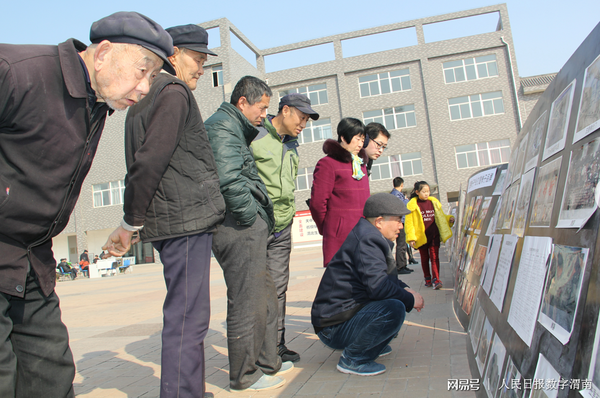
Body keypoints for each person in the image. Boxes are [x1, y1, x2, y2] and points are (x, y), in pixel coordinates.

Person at [0, 11, 173, 397]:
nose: (145, 88)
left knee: (52, 377)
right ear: (103, 54)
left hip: (33, 262)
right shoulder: (17, 71)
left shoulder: (96, 103)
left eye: (153, 78)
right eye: (142, 71)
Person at [101, 24, 225, 398]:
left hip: (172, 220)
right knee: (188, 319)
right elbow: (150, 160)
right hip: (183, 221)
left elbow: (143, 162)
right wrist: (128, 222)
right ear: (173, 55)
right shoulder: (172, 91)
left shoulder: (145, 97)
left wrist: (132, 221)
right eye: (197, 59)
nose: (202, 68)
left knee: (183, 315)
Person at [205, 76, 292, 392]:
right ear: (242, 102)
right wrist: (250, 217)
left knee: (264, 298)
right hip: (237, 227)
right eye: (261, 107)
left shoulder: (233, 129)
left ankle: (268, 363)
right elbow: (228, 181)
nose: (263, 115)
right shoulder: (222, 129)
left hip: (248, 227)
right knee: (245, 302)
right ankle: (244, 376)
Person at [311, 193, 425, 376]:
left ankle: (368, 345)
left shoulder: (369, 235)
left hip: (340, 319)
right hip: (333, 327)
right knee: (394, 309)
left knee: (396, 300)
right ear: (379, 221)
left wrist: (404, 289)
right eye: (397, 220)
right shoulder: (368, 241)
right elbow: (379, 287)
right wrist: (410, 299)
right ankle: (354, 359)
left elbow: (383, 278)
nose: (401, 226)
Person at [251, 93, 319, 363]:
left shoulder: (292, 144)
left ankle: (277, 345)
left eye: (307, 120)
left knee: (279, 288)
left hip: (282, 226)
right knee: (254, 291)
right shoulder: (254, 134)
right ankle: (256, 351)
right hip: (256, 224)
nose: (304, 123)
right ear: (286, 110)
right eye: (301, 117)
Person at [309, 118, 370, 267]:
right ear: (343, 137)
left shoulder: (360, 165)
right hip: (340, 236)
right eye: (357, 139)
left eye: (362, 139)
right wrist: (329, 227)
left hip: (363, 232)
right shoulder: (327, 164)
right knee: (341, 281)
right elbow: (317, 203)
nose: (361, 144)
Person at [404, 181, 455, 290]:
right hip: (421, 237)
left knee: (435, 257)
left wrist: (449, 219)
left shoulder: (434, 202)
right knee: (424, 258)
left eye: (428, 191)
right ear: (417, 192)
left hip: (434, 235)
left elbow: (441, 217)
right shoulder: (412, 205)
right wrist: (411, 238)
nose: (427, 194)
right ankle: (427, 278)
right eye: (424, 191)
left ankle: (436, 279)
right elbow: (409, 223)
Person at [390, 177, 413, 275]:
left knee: (403, 245)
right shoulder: (396, 195)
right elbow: (401, 206)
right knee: (401, 245)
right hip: (399, 222)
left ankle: (403, 265)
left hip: (401, 221)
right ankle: (400, 267)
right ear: (402, 184)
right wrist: (407, 200)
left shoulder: (396, 194)